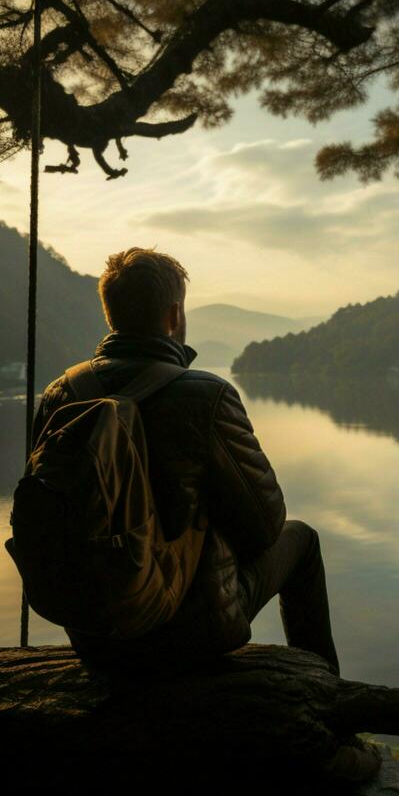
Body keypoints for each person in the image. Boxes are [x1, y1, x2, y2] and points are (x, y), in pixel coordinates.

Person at [31, 247, 340, 677]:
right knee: (301, 540)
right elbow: (265, 526)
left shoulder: (60, 394)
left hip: (92, 627)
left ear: (111, 315)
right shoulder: (207, 396)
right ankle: (326, 695)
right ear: (174, 316)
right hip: (189, 630)